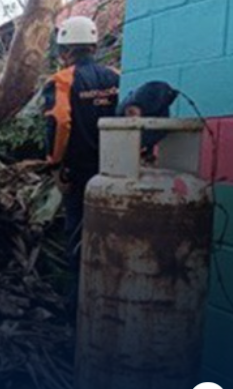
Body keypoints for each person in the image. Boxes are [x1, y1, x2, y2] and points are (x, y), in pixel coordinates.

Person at [41, 16, 120, 312]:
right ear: (94, 45)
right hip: (114, 171)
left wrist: (55, 164)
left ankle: (77, 304)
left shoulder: (61, 80)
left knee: (77, 234)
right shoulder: (116, 76)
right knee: (111, 232)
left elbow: (60, 122)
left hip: (78, 173)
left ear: (64, 51)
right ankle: (108, 299)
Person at [117, 80, 180, 161]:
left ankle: (146, 152)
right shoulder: (123, 110)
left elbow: (160, 129)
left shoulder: (153, 102)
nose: (133, 118)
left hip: (161, 97)